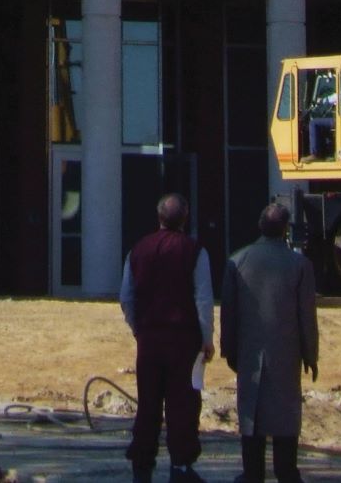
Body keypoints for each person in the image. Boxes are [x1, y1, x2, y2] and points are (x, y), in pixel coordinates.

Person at [221, 199, 319, 483]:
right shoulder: (300, 264)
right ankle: (286, 471)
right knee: (285, 417)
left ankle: (252, 472)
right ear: (286, 229)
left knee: (251, 416)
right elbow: (306, 316)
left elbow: (229, 313)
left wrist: (229, 349)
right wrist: (310, 355)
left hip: (249, 353)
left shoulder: (237, 261)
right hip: (287, 353)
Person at [120, 192, 214, 483]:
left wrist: (138, 328)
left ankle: (142, 467)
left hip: (149, 340)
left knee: (148, 404)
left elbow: (126, 297)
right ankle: (181, 467)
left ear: (158, 217)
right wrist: (207, 338)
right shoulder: (195, 251)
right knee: (183, 405)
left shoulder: (138, 250)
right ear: (185, 217)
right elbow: (202, 299)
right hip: (183, 341)